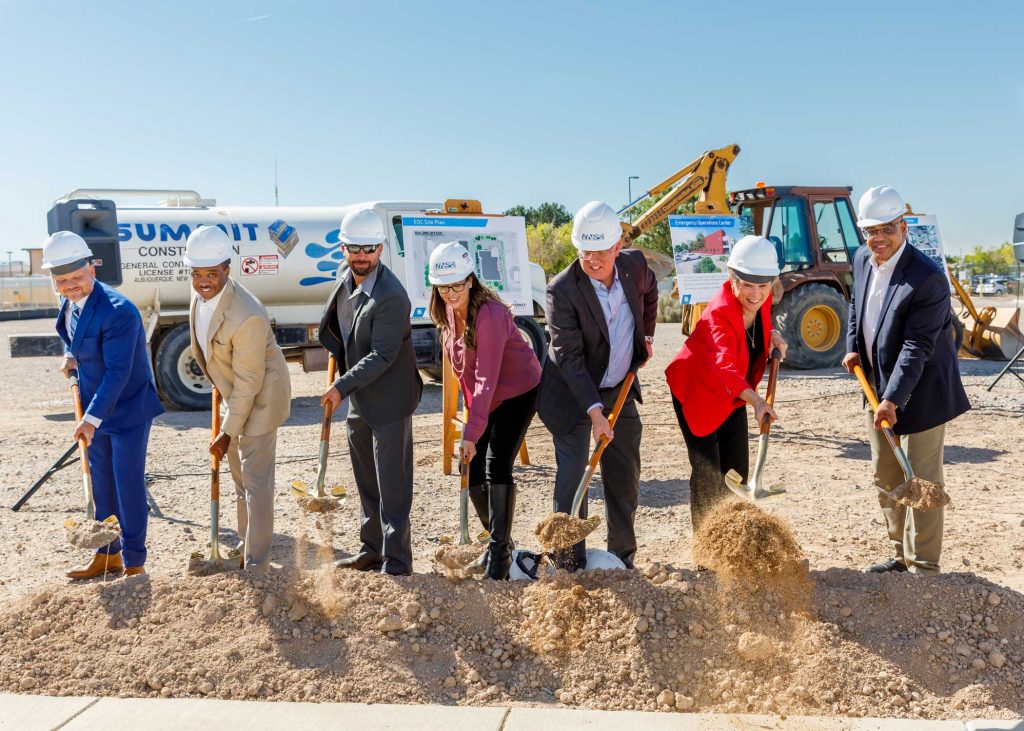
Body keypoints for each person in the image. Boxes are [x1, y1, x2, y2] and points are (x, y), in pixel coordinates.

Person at [842, 185, 970, 574]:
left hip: (923, 390)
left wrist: (893, 400)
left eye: (886, 229)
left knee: (922, 478)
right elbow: (856, 306)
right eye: (870, 231)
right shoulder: (863, 258)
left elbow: (917, 347)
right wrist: (852, 347)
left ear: (904, 227)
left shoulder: (927, 279)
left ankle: (924, 566)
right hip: (877, 384)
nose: (878, 239)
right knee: (886, 472)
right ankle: (900, 554)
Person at [536, 201, 657, 571]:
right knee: (574, 477)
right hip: (572, 394)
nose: (592, 260)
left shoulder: (635, 267)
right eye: (585, 252)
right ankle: (570, 563)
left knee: (624, 475)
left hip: (618, 387)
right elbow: (570, 359)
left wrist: (647, 335)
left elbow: (651, 291)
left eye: (600, 252)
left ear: (617, 247)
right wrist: (594, 412)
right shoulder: (562, 291)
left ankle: (621, 560)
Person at [43, 231, 164, 578]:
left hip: (126, 409)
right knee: (102, 485)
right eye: (62, 281)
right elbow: (74, 334)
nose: (70, 286)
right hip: (95, 409)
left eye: (77, 278)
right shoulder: (69, 302)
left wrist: (91, 419)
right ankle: (106, 554)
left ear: (92, 270)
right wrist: (71, 356)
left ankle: (134, 562)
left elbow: (118, 372)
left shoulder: (118, 311)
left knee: (127, 484)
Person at [427, 242, 541, 580]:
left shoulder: (489, 315)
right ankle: (499, 545)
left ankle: (500, 562)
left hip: (519, 389)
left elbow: (486, 380)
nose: (450, 293)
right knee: (472, 465)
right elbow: (466, 378)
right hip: (486, 394)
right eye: (443, 286)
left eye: (457, 285)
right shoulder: (447, 314)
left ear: (471, 280)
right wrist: (470, 429)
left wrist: (472, 432)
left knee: (496, 461)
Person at [318, 208, 422, 576]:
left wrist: (339, 386)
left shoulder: (392, 296)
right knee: (366, 479)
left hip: (390, 399)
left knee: (392, 484)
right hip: (361, 396)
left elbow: (383, 354)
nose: (362, 256)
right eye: (354, 248)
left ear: (380, 249)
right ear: (343, 248)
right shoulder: (345, 279)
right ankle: (371, 550)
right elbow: (341, 331)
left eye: (369, 249)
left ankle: (397, 560)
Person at [184, 226, 291, 572]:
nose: (203, 281)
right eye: (197, 273)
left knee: (256, 482)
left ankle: (257, 564)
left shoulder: (246, 314)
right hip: (236, 394)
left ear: (227, 269)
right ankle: (245, 548)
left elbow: (250, 381)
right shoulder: (199, 297)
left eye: (211, 274)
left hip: (261, 397)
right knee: (239, 480)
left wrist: (228, 431)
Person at [664, 235, 788, 530]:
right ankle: (708, 551)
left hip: (733, 394)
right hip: (698, 392)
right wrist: (758, 401)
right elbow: (724, 366)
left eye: (762, 285)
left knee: (737, 470)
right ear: (733, 279)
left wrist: (772, 336)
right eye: (748, 285)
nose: (756, 293)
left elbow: (762, 322)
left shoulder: (764, 296)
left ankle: (735, 537)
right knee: (708, 472)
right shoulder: (720, 313)